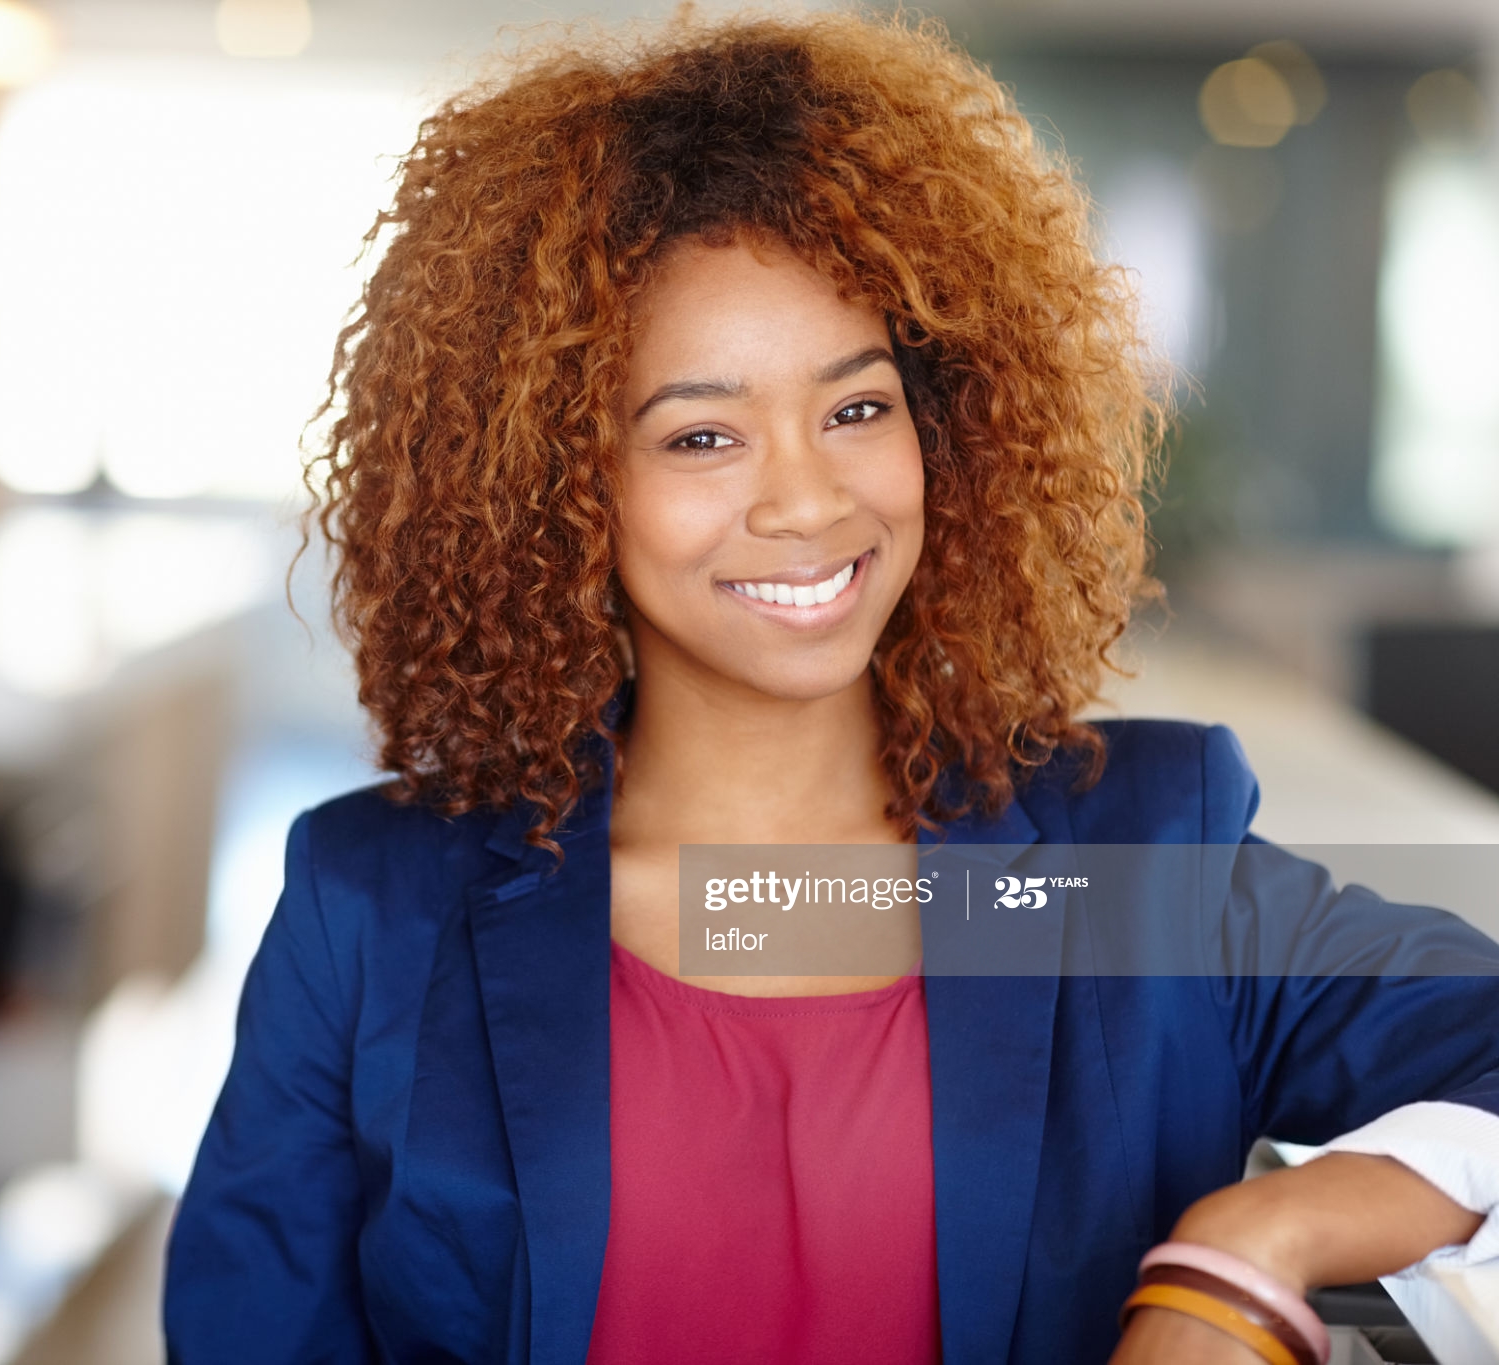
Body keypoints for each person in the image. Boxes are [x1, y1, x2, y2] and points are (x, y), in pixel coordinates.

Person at [162, 10, 1499, 1363]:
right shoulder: (375, 910)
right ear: (560, 491)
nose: (808, 498)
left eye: (857, 407)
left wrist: (1252, 1252)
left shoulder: (1127, 854)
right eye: (701, 433)